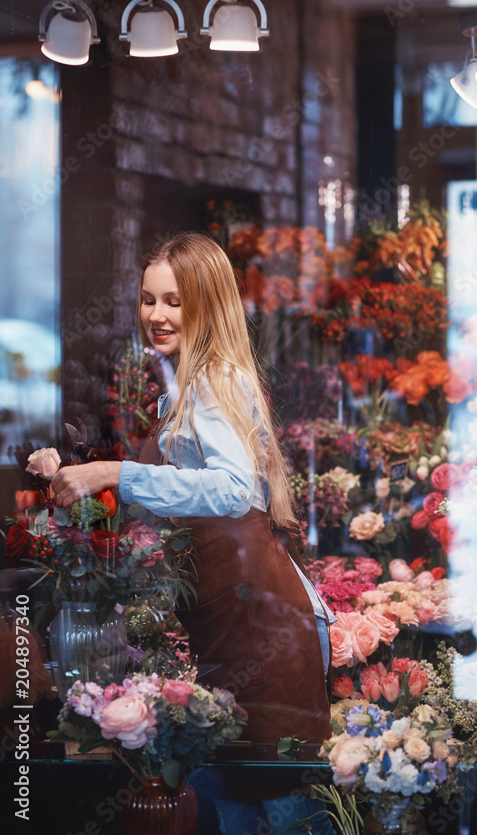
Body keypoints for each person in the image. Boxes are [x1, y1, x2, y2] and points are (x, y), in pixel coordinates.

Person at [51, 231, 336, 835]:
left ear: (207, 303)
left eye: (174, 301)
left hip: (260, 625)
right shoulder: (189, 380)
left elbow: (233, 492)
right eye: (149, 299)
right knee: (250, 795)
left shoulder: (212, 379)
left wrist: (114, 472)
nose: (156, 315)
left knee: (269, 797)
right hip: (243, 618)